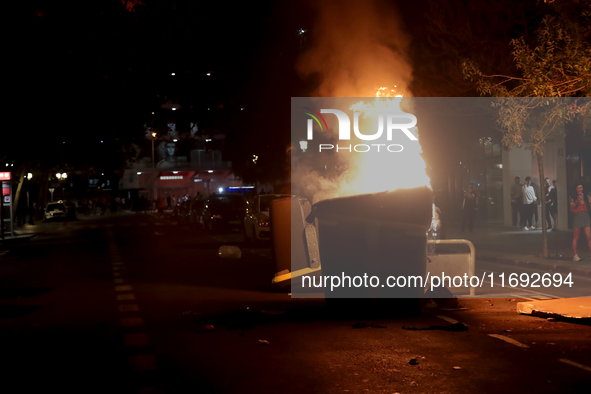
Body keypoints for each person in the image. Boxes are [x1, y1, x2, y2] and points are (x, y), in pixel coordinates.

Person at [569, 183, 591, 261]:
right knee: (576, 236)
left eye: (581, 188)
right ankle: (575, 255)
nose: (580, 189)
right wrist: (577, 200)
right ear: (575, 189)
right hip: (577, 215)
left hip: (585, 215)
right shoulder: (573, 196)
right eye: (578, 188)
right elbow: (571, 207)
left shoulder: (587, 195)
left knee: (588, 236)